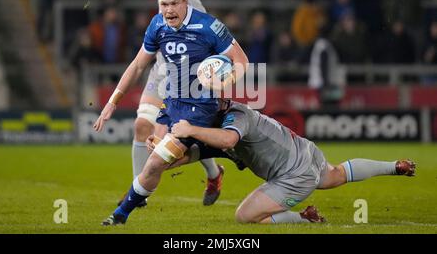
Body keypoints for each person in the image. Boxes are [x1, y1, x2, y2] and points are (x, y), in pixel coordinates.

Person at [96, 0, 249, 225]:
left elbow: (242, 61)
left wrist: (224, 81)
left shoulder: (209, 26)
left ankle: (120, 216)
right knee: (157, 154)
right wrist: (113, 101)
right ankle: (217, 149)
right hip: (171, 103)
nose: (169, 10)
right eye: (164, 4)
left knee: (157, 161)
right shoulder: (157, 25)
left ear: (185, 2)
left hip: (200, 106)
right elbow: (137, 66)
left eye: (175, 3)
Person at [161, 100, 416, 224]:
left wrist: (190, 129)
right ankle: (395, 166)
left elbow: (227, 140)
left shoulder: (235, 118)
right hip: (306, 153)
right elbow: (190, 156)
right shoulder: (215, 129)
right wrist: (161, 153)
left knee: (245, 217)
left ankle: (305, 219)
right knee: (337, 174)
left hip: (295, 175)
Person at [127, 0, 227, 207]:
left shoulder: (197, 10)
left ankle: (214, 174)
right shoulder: (164, 0)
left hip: (187, 79)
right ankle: (137, 194)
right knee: (141, 126)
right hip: (161, 72)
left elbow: (213, 53)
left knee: (182, 136)